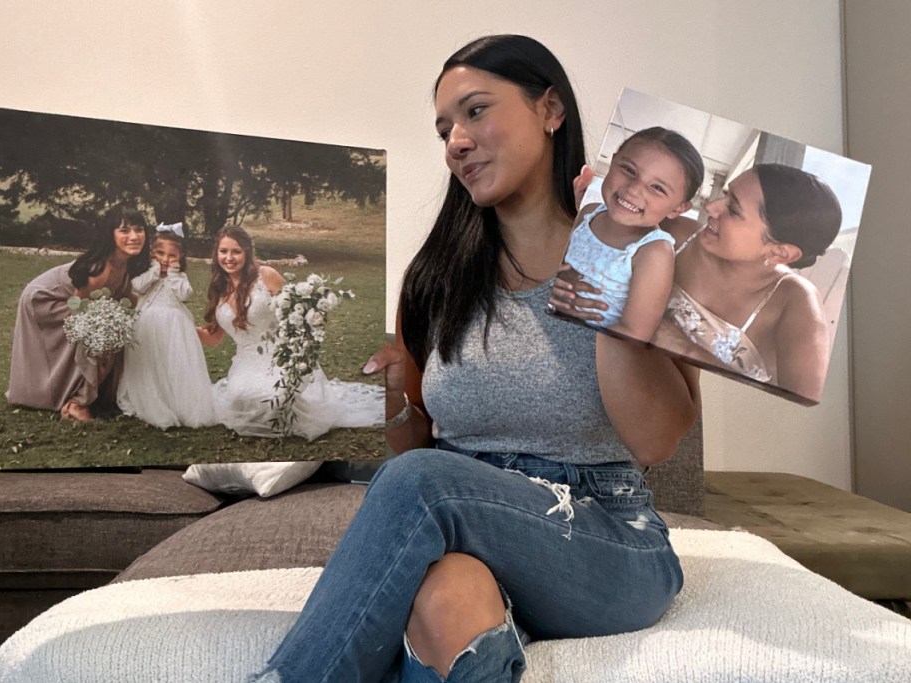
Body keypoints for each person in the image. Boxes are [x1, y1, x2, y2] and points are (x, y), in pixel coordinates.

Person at [250, 35, 700, 682]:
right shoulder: (436, 278)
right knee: (444, 597)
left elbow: (656, 439)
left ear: (550, 110)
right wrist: (394, 398)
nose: (456, 141)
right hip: (472, 531)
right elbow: (418, 451)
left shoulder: (647, 258)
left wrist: (605, 274)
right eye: (444, 129)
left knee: (423, 484)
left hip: (604, 536)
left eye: (476, 111)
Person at [559, 163, 840, 402]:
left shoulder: (795, 302)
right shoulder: (675, 233)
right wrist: (566, 271)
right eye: (726, 194)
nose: (711, 206)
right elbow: (589, 242)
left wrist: (682, 347)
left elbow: (794, 413)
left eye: (733, 209)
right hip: (589, 374)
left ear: (779, 252)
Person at [198, 225, 384, 440]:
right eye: (224, 251)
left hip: (281, 354)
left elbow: (296, 313)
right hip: (245, 360)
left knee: (273, 397)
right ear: (216, 254)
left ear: (247, 252)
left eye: (236, 251)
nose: (229, 257)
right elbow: (213, 337)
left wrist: (302, 347)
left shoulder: (265, 275)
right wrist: (180, 326)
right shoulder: (218, 288)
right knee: (241, 398)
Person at [556, 127, 703, 341]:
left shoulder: (654, 251)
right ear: (613, 161)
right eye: (628, 169)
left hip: (592, 353)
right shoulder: (588, 213)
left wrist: (572, 324)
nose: (633, 189)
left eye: (657, 187)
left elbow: (635, 333)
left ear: (677, 209)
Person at [6, 205, 150, 422]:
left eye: (139, 230)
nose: (134, 236)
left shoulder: (127, 263)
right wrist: (103, 340)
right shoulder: (100, 270)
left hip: (79, 304)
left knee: (110, 330)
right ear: (110, 235)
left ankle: (97, 395)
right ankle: (77, 402)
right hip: (46, 300)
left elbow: (127, 297)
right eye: (124, 231)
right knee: (97, 339)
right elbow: (80, 312)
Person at [116, 222, 216, 428]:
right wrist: (154, 272)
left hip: (174, 326)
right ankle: (150, 397)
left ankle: (175, 400)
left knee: (173, 362)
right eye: (160, 254)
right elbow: (138, 287)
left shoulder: (179, 277)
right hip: (147, 324)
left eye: (172, 256)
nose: (165, 259)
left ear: (179, 258)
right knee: (150, 360)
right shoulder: (147, 274)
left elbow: (185, 294)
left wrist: (173, 274)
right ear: (152, 253)